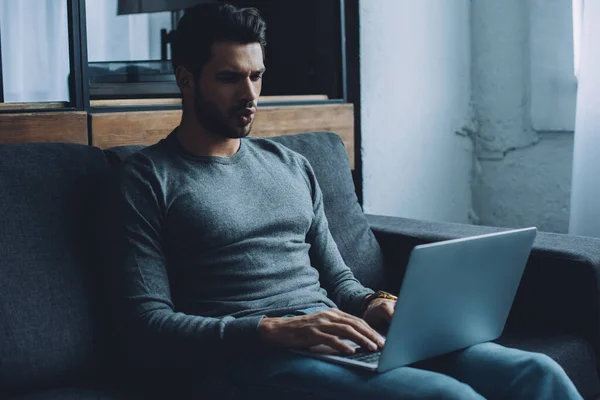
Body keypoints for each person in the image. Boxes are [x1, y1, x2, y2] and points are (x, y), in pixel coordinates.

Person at [112, 3, 582, 399]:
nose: (250, 94)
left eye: (256, 76)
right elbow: (147, 324)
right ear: (186, 80)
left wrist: (376, 302)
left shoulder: (291, 165)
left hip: (337, 334)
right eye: (230, 78)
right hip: (248, 360)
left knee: (538, 373)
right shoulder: (148, 178)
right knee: (448, 397)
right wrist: (274, 330)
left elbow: (338, 279)